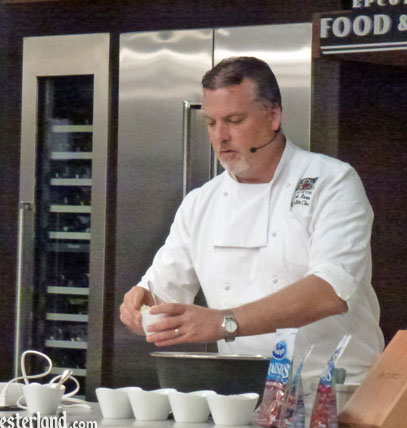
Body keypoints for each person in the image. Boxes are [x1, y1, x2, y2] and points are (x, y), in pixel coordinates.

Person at [120, 56, 384, 388]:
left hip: (335, 393)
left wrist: (223, 323)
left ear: (274, 116)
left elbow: (331, 290)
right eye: (211, 123)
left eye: (234, 120)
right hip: (244, 394)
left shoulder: (330, 181)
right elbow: (162, 300)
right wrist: (141, 309)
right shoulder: (201, 202)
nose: (221, 137)